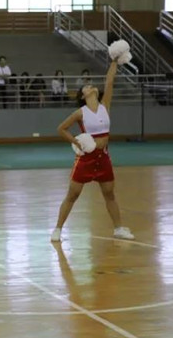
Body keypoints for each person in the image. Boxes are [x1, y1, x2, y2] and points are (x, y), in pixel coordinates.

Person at [51, 59, 134, 242]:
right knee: (72, 195)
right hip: (86, 159)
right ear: (83, 95)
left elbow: (109, 80)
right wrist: (76, 142)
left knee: (109, 194)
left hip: (103, 158)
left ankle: (118, 228)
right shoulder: (80, 113)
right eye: (87, 86)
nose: (91, 86)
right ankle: (57, 229)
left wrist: (114, 60)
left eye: (91, 85)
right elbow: (61, 129)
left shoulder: (105, 105)